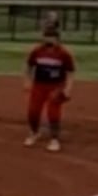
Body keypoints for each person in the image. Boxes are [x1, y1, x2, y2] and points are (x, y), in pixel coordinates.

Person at [24, 23, 75, 151]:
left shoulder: (64, 53)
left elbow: (70, 72)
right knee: (33, 111)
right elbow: (29, 66)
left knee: (53, 113)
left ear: (57, 39)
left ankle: (54, 140)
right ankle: (34, 132)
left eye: (52, 38)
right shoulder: (37, 51)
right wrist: (27, 81)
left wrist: (67, 89)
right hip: (39, 85)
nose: (49, 40)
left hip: (56, 86)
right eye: (47, 37)